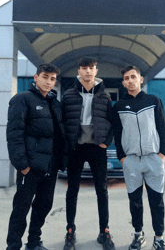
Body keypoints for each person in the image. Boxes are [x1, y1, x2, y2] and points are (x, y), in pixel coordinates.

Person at [6, 64, 67, 250]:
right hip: (30, 167)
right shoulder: (22, 99)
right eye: (45, 77)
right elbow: (14, 134)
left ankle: (33, 242)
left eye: (52, 78)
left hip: (50, 166)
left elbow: (59, 135)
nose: (49, 82)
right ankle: (13, 246)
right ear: (36, 77)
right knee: (21, 209)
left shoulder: (55, 103)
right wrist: (22, 165)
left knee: (43, 206)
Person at [112, 66, 165, 250]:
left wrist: (162, 155)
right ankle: (138, 235)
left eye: (133, 77)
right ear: (123, 83)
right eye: (126, 78)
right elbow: (117, 133)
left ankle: (159, 238)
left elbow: (163, 128)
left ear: (141, 79)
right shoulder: (119, 106)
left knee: (156, 201)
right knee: (135, 201)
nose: (130, 80)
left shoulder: (154, 101)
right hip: (131, 161)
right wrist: (122, 157)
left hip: (154, 159)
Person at [61, 56, 115, 250]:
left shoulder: (105, 96)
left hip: (96, 148)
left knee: (102, 190)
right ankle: (70, 231)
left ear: (96, 70)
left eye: (91, 68)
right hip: (76, 148)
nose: (88, 71)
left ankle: (104, 231)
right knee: (72, 190)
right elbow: (63, 122)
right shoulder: (68, 95)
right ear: (79, 71)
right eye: (84, 68)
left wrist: (105, 143)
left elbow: (111, 122)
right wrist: (67, 145)